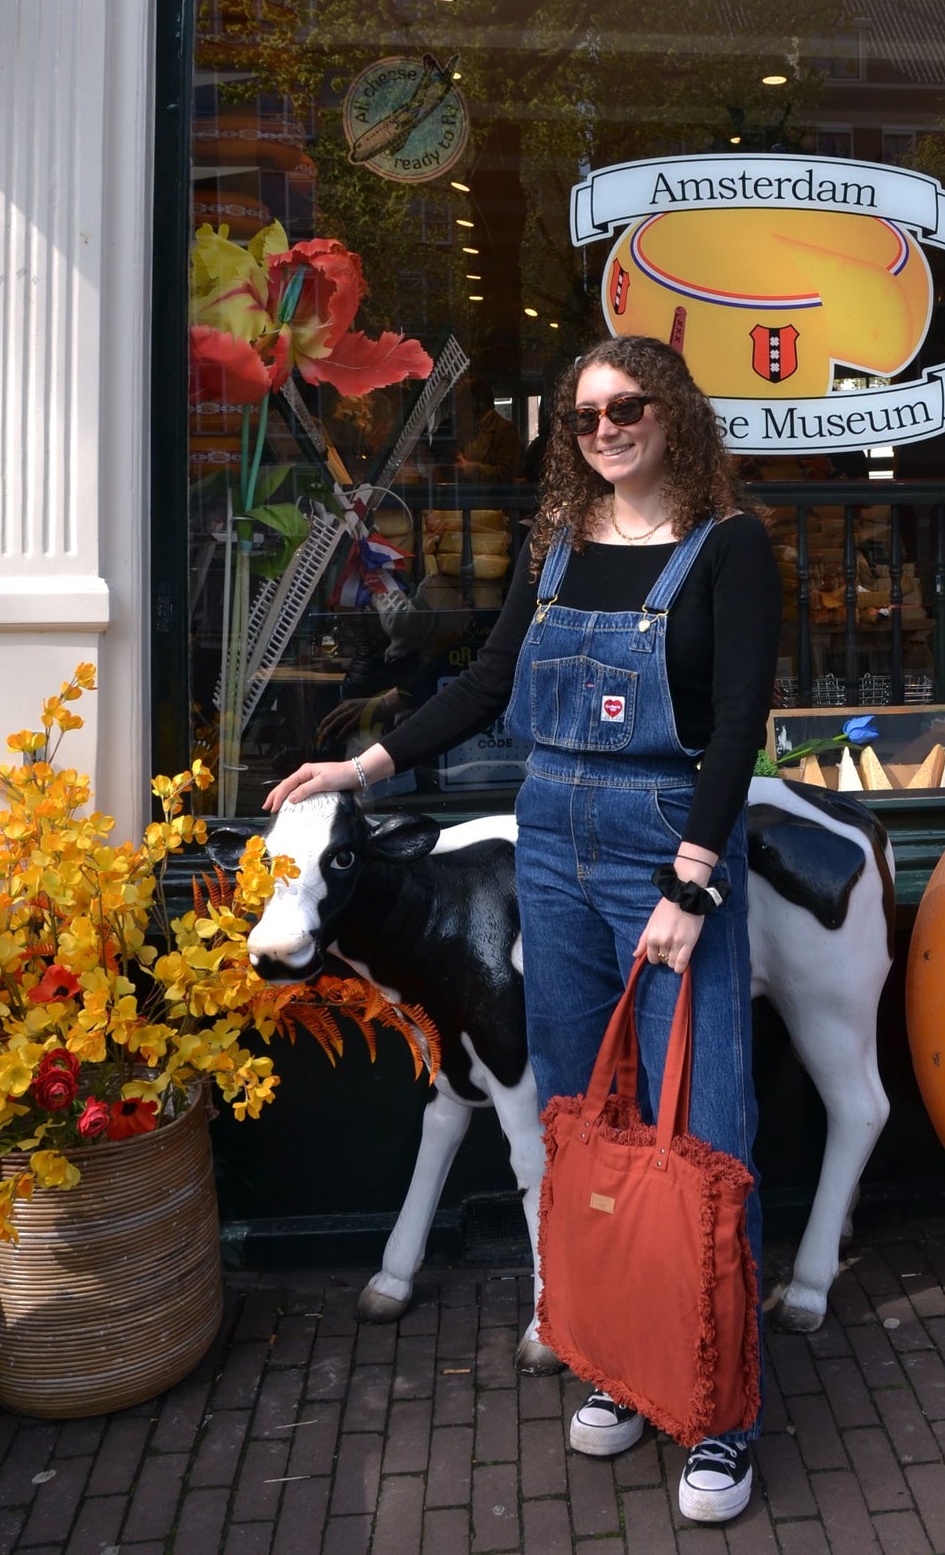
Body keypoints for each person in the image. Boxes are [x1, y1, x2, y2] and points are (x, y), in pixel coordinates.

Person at [265, 334, 781, 1524]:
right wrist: (365, 764)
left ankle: (717, 1410)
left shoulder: (729, 547)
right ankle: (619, 1361)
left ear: (674, 415)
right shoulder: (556, 544)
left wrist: (692, 883)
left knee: (699, 1130)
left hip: (665, 849)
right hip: (551, 846)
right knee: (585, 1126)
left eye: (628, 407)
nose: (606, 428)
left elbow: (741, 718)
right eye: (585, 413)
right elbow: (490, 685)